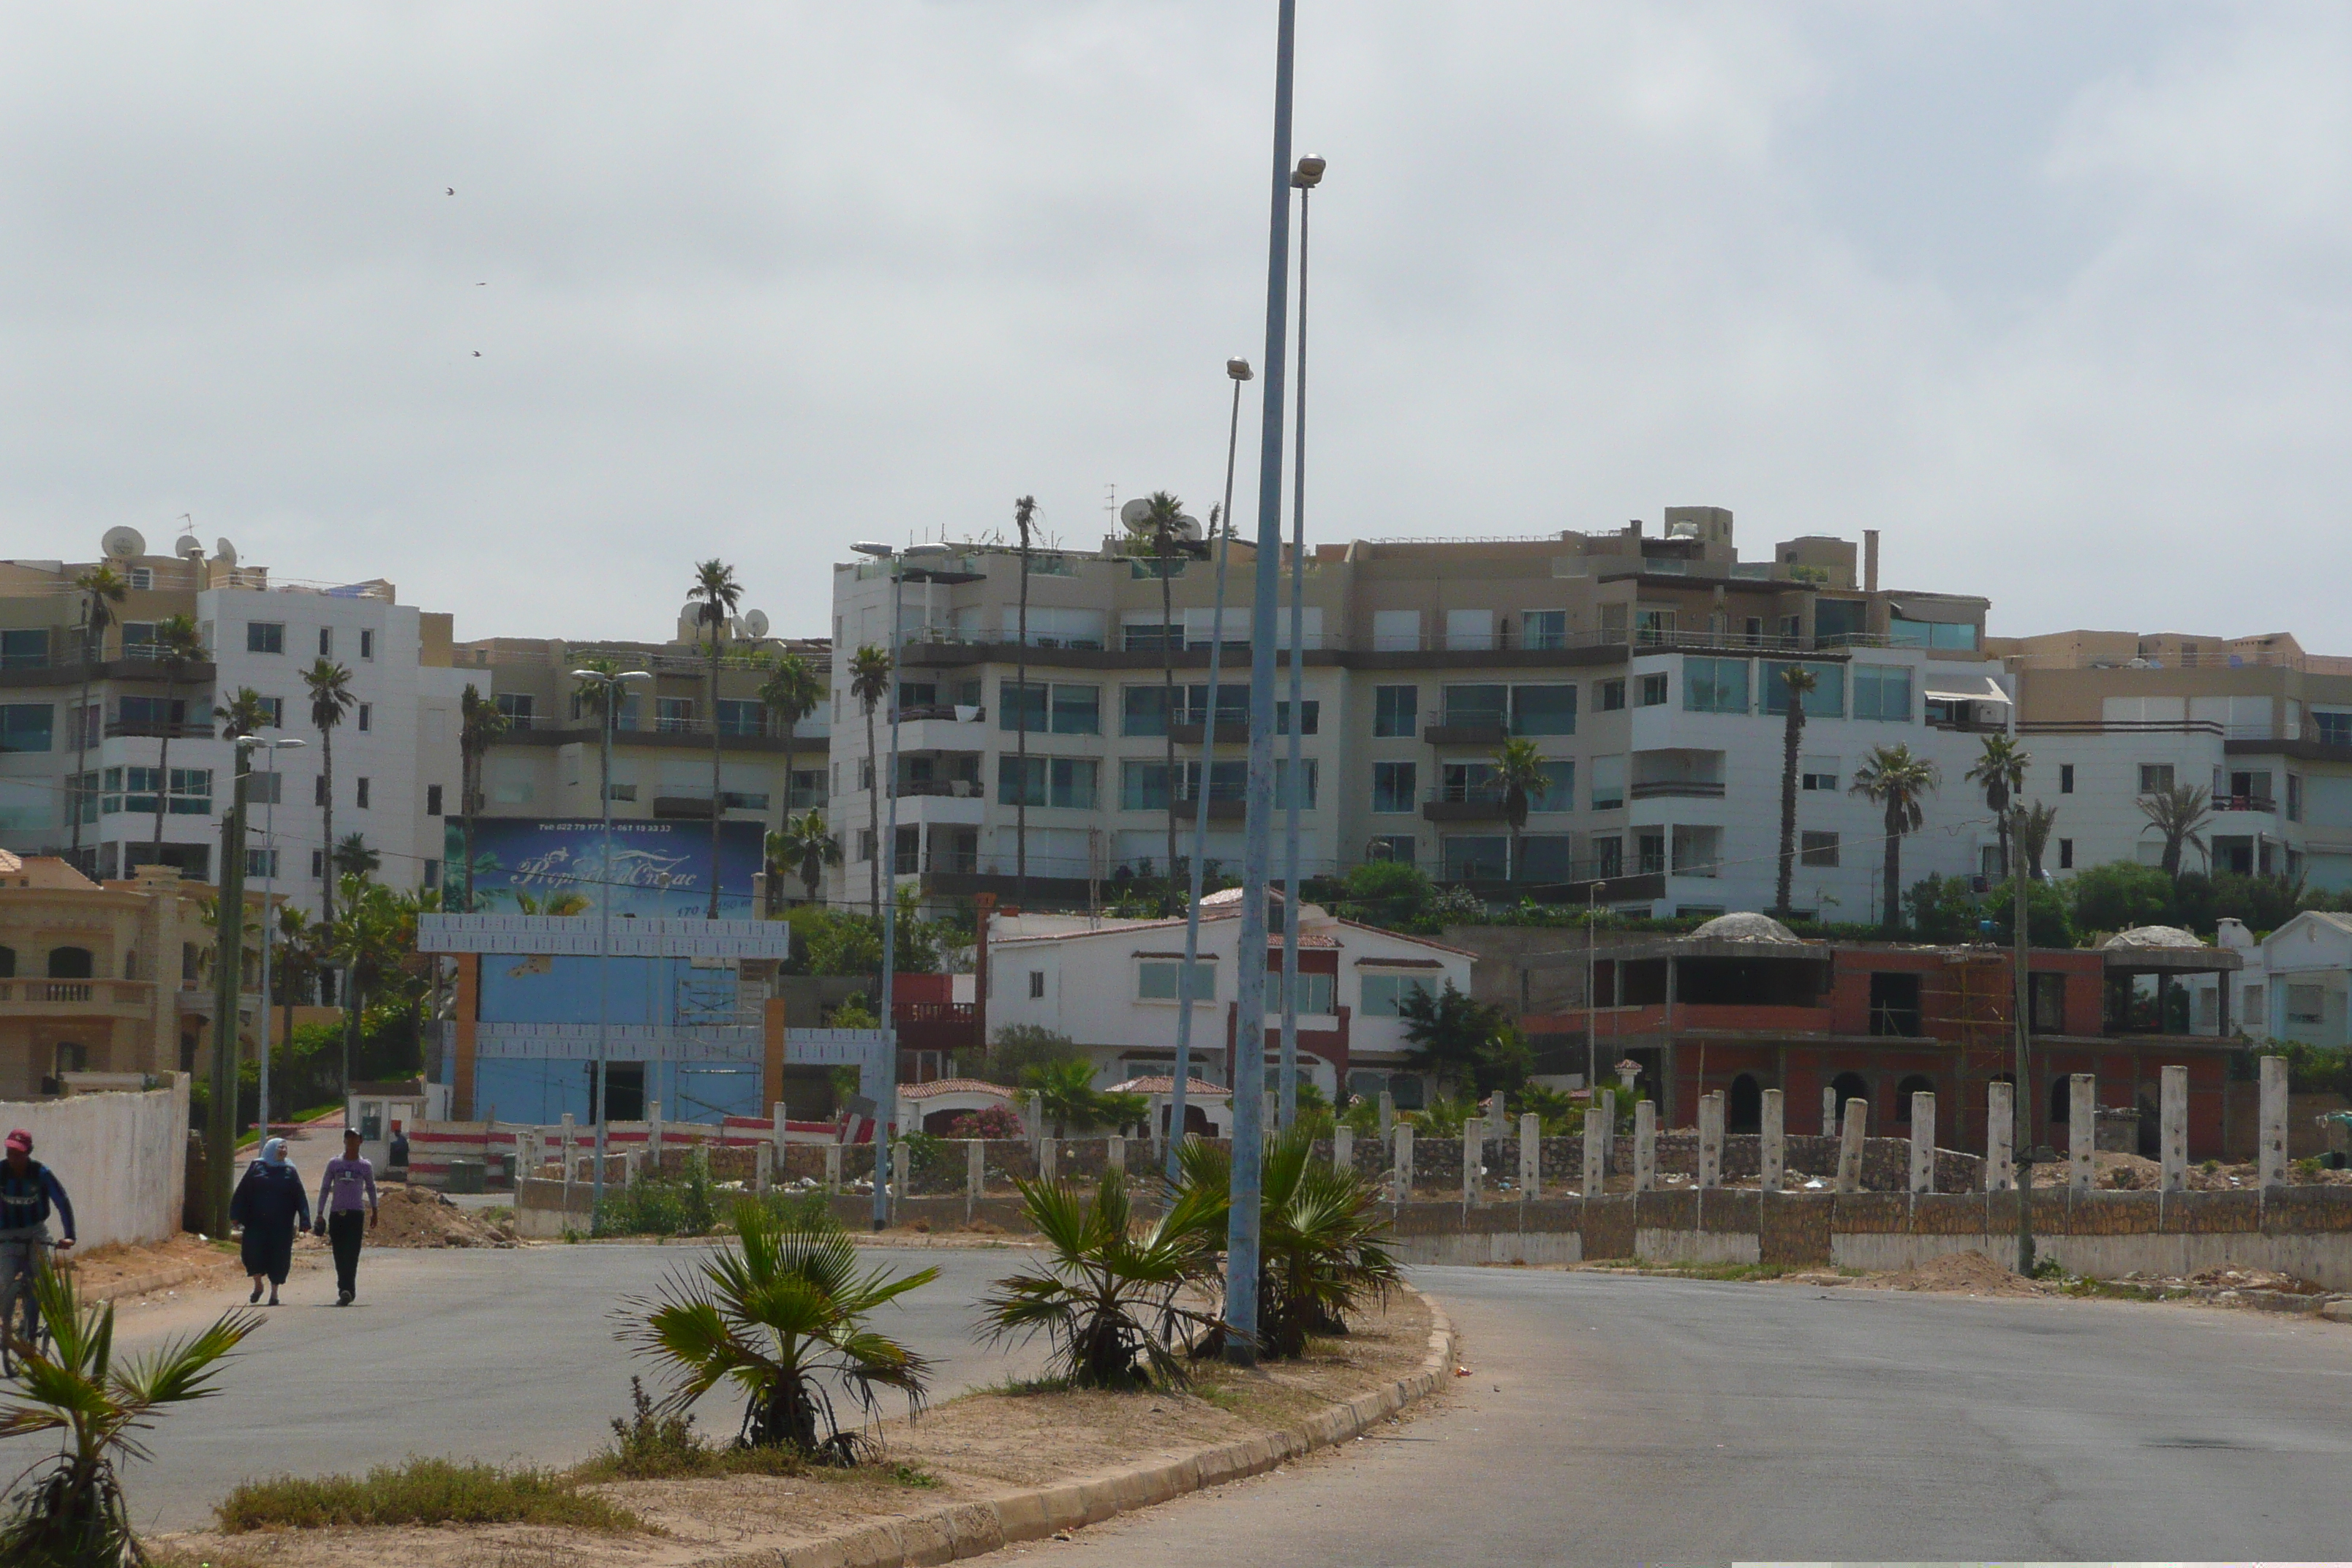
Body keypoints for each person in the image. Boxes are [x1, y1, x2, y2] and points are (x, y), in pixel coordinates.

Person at [1, 1128, 76, 1338]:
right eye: (10, 1153)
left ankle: (40, 1320)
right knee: (3, 1281)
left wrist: (70, 1235)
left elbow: (62, 1201)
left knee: (41, 1281)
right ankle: (6, 1330)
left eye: (18, 1154)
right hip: (7, 1235)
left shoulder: (41, 1173)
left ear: (29, 1152)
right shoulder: (1, 1172)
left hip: (36, 1233)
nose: (13, 1158)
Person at [229, 1137, 309, 1306]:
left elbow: (300, 1196)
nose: (283, 1151)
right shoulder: (256, 1168)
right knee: (252, 1253)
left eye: (285, 1148)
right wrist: (235, 1215)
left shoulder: (290, 1170)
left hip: (282, 1224)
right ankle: (258, 1285)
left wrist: (305, 1219)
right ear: (271, 1149)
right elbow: (242, 1192)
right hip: (256, 1223)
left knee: (279, 1257)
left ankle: (274, 1293)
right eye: (280, 1147)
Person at [314, 1127, 378, 1306]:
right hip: (337, 1214)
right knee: (339, 1253)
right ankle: (344, 1289)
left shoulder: (365, 1166)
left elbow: (371, 1188)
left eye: (355, 1139)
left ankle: (348, 1290)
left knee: (352, 1253)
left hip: (356, 1215)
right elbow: (325, 1188)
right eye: (348, 1139)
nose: (351, 1143)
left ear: (361, 1142)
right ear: (344, 1142)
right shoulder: (335, 1164)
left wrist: (375, 1210)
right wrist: (320, 1213)